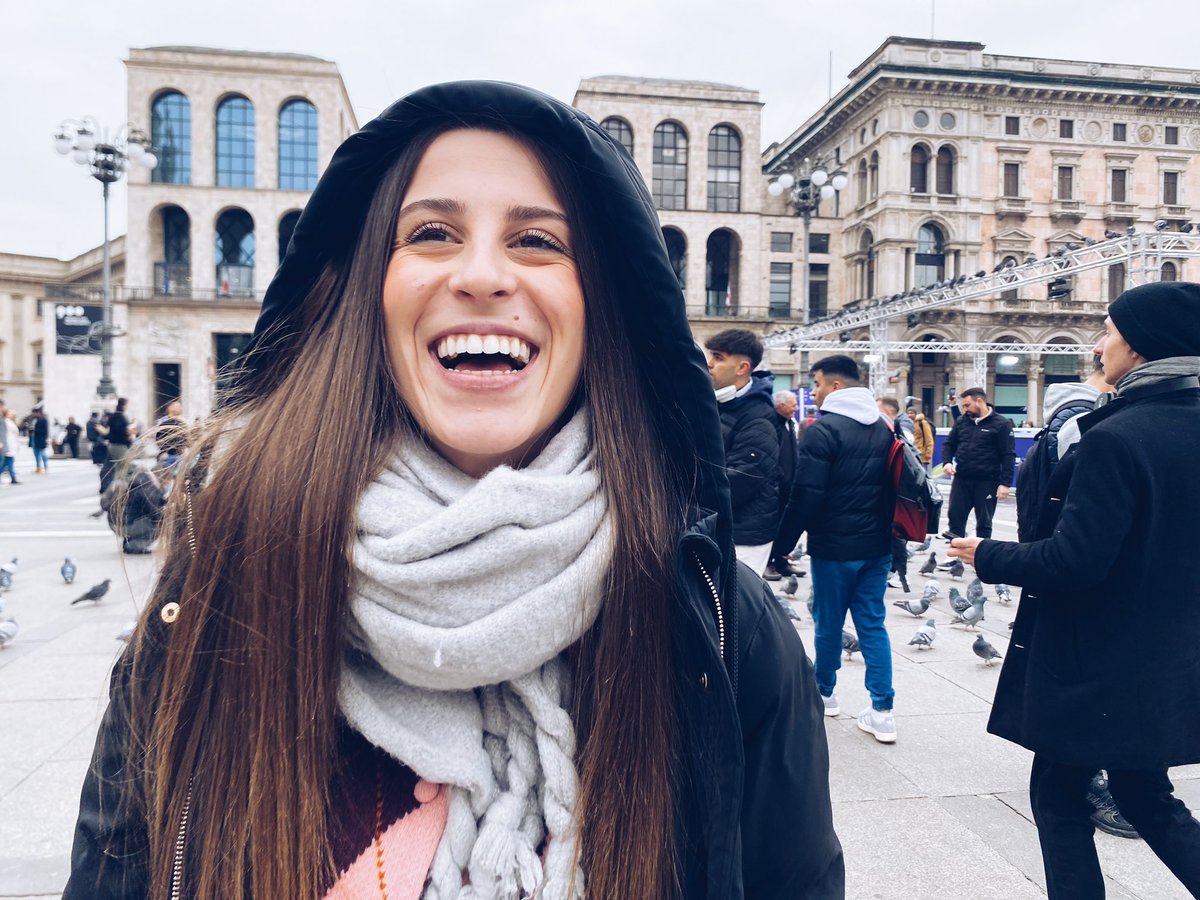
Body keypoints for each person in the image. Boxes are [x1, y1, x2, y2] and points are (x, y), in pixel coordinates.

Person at [63, 82, 844, 900]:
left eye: (539, 241)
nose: (480, 274)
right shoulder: (223, 585)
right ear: (365, 292)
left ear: (609, 307)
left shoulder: (719, 626)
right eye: (431, 233)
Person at [949, 281, 1200, 898]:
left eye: (1110, 331)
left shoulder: (1117, 438)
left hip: (1100, 659)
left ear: (1142, 347)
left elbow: (1075, 561)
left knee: (1060, 796)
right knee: (1143, 792)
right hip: (1171, 650)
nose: (1099, 344)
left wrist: (988, 553)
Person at [775, 354, 898, 743]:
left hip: (834, 547)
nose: (814, 391)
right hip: (877, 546)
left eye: (818, 383)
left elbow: (806, 493)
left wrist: (782, 545)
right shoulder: (883, 427)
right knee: (873, 624)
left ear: (837, 387)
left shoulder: (821, 430)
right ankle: (883, 710)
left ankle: (824, 694)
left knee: (828, 624)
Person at [704, 328, 782, 577]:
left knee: (731, 611)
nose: (710, 363)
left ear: (742, 367)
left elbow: (741, 479)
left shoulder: (758, 416)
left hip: (744, 535)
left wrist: (685, 489)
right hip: (718, 527)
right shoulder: (716, 404)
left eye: (718, 357)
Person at [940, 387, 1014, 540]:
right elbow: (949, 444)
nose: (965, 409)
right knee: (955, 519)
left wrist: (1005, 483)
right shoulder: (962, 421)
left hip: (987, 480)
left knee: (984, 523)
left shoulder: (1001, 424)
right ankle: (953, 559)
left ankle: (981, 560)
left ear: (979, 401)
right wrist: (947, 463)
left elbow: (1008, 455)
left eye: (967, 405)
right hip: (962, 478)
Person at [765, 390, 801, 580]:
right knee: (773, 525)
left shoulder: (790, 423)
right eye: (792, 404)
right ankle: (769, 563)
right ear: (780, 405)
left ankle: (781, 561)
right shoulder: (772, 423)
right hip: (777, 485)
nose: (796, 408)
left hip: (790, 484)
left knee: (785, 526)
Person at [98, 398, 131, 495]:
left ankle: (109, 487)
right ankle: (117, 489)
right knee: (124, 466)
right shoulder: (120, 417)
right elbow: (118, 430)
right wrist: (127, 432)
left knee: (112, 467)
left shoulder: (114, 416)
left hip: (113, 444)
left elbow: (110, 430)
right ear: (124, 405)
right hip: (119, 445)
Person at [154, 400, 187, 468]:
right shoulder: (163, 422)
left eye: (180, 406)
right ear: (170, 408)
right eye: (177, 406)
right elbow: (158, 438)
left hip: (179, 455)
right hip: (169, 455)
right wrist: (163, 451)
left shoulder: (181, 422)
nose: (180, 408)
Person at [908, 405, 935, 473]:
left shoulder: (922, 423)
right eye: (908, 413)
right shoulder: (907, 424)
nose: (909, 415)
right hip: (909, 453)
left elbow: (929, 440)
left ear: (915, 414)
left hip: (919, 454)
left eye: (911, 413)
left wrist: (928, 455)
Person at [1, 409, 19, 485]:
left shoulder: (9, 422)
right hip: (8, 444)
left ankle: (13, 478)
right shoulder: (7, 422)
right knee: (8, 461)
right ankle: (13, 478)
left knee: (6, 462)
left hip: (10, 444)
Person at [30, 406, 50, 473]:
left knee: (42, 453)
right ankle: (38, 467)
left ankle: (46, 467)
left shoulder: (43, 419)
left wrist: (34, 430)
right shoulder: (33, 420)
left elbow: (45, 431)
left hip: (41, 439)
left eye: (33, 413)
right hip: (34, 439)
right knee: (36, 454)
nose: (32, 414)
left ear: (37, 413)